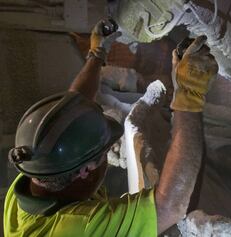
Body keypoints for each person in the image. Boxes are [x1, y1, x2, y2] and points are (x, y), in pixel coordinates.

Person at [3, 19, 218, 236]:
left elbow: (71, 109)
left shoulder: (36, 172)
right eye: (104, 153)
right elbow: (171, 206)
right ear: (85, 171)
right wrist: (189, 96)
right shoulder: (75, 227)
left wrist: (97, 54)